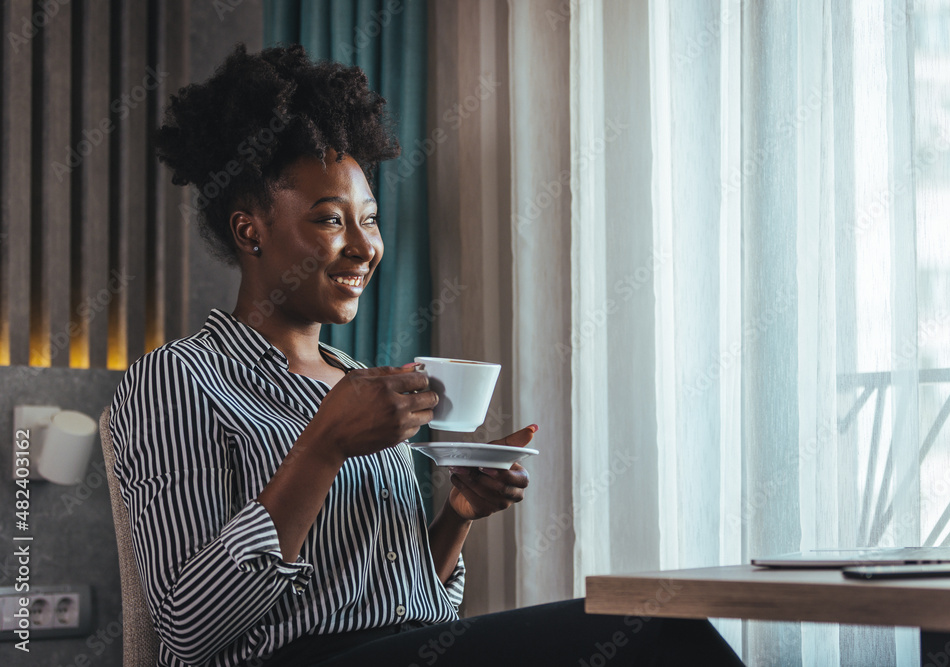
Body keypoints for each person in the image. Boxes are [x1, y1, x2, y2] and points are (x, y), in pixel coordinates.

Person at [109, 43, 745, 667]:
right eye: (331, 221)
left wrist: (458, 516)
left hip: (401, 647)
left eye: (371, 219)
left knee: (660, 627)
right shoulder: (177, 379)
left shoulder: (357, 382)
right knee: (654, 630)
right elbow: (188, 628)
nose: (366, 248)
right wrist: (321, 446)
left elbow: (410, 607)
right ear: (250, 230)